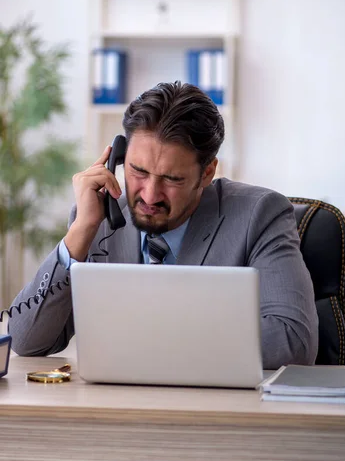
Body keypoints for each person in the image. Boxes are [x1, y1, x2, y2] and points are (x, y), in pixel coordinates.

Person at [8, 81, 318, 368]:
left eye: (172, 178)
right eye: (138, 171)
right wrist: (78, 235)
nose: (150, 194)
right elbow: (27, 342)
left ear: (207, 173)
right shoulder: (96, 219)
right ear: (118, 158)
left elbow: (293, 341)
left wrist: (155, 325)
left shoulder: (260, 214)